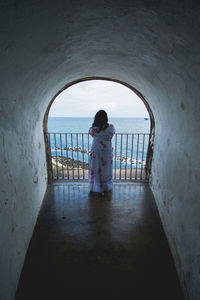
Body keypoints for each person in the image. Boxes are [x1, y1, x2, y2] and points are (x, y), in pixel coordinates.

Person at [88, 110, 115, 194]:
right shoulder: (111, 127)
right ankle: (106, 186)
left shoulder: (93, 129)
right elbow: (112, 133)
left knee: (95, 167)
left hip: (96, 149)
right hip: (107, 150)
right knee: (106, 168)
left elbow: (90, 132)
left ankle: (96, 187)